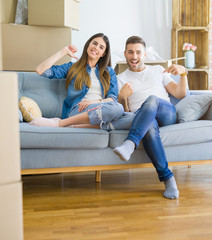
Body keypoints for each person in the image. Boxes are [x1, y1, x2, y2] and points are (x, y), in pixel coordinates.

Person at [113, 36, 188, 200]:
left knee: (152, 99)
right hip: (142, 118)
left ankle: (130, 143)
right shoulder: (119, 79)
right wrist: (122, 98)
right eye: (130, 52)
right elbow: (125, 113)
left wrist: (183, 74)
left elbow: (180, 94)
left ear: (144, 54)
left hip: (166, 113)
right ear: (125, 54)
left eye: (138, 52)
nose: (134, 57)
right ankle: (168, 179)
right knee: (148, 126)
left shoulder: (157, 71)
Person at [30, 33, 124, 129]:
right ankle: (62, 123)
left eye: (101, 47)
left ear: (103, 54)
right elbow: (41, 70)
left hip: (101, 108)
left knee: (129, 116)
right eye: (94, 43)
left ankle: (80, 125)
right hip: (79, 110)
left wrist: (95, 101)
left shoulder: (108, 72)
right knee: (118, 109)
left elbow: (112, 99)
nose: (96, 48)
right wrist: (63, 51)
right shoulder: (72, 67)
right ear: (88, 45)